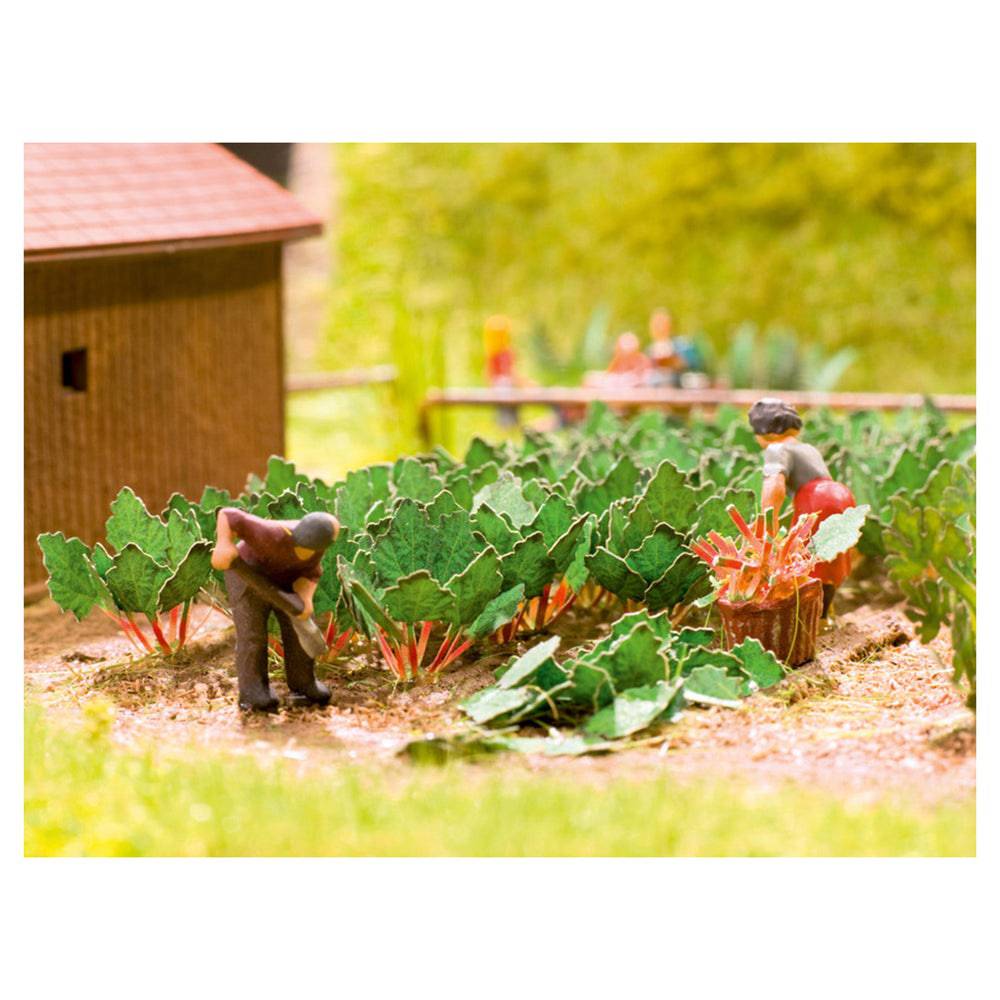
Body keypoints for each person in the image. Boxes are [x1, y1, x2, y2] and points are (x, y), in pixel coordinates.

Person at [211, 508, 339, 711]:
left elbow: (311, 572)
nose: (307, 552)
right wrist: (224, 544)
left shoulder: (317, 546)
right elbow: (229, 514)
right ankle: (254, 692)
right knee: (252, 635)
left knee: (297, 630)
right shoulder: (269, 532)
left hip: (286, 582)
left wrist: (305, 599)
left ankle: (303, 684)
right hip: (246, 577)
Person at [748, 398, 856, 617]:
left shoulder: (776, 448)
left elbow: (774, 484)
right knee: (831, 557)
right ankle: (826, 613)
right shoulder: (807, 448)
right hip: (839, 493)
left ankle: (814, 615)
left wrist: (768, 522)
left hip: (816, 499)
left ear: (762, 431)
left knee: (810, 559)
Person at [647, 309, 685, 386]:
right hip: (655, 390)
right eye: (657, 325)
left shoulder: (679, 344)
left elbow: (688, 365)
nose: (660, 328)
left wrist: (672, 361)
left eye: (663, 324)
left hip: (676, 387)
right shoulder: (650, 349)